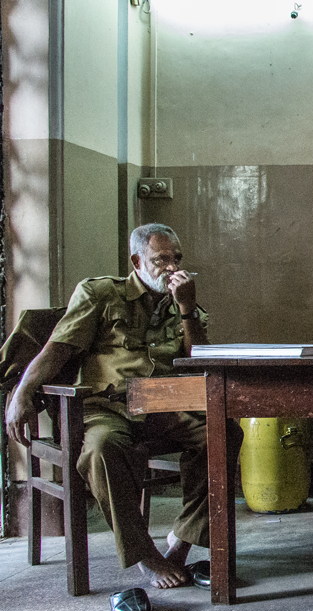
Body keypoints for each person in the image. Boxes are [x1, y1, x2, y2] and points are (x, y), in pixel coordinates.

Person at [6, 223, 240, 589]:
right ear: (137, 261)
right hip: (107, 407)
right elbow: (58, 348)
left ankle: (181, 541)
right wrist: (23, 392)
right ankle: (144, 554)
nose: (171, 266)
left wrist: (188, 310)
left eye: (176, 258)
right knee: (102, 449)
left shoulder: (183, 304)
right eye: (161, 259)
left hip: (164, 406)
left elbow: (198, 361)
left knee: (222, 433)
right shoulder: (100, 294)